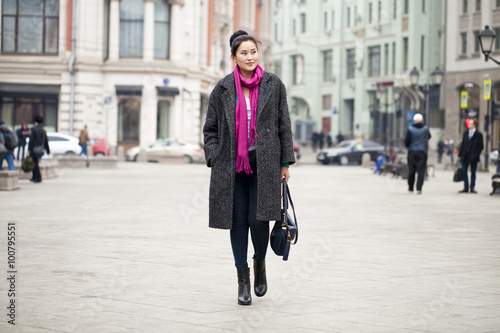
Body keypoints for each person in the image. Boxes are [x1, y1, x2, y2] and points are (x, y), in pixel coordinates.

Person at [203, 30, 295, 306]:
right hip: (231, 165)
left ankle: (260, 264)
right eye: (243, 53)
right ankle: (242, 278)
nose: (250, 56)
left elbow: (284, 125)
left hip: (264, 163)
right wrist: (214, 156)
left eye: (253, 51)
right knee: (237, 220)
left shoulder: (274, 84)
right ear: (233, 57)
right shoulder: (221, 89)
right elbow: (211, 130)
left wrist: (285, 161)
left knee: (259, 219)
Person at [405, 113, 431, 194]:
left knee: (411, 170)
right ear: (422, 121)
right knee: (421, 171)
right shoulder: (426, 129)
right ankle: (419, 188)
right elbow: (429, 137)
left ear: (414, 121)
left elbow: (407, 141)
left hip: (412, 152)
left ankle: (410, 188)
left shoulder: (410, 129)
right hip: (422, 152)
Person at [458, 118, 484, 194]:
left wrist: (476, 154)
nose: (469, 125)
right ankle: (465, 187)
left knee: (473, 172)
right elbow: (463, 144)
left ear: (474, 125)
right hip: (465, 155)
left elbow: (481, 146)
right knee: (463, 171)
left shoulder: (478, 135)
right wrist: (460, 154)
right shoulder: (466, 133)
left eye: (471, 123)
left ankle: (472, 187)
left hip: (473, 156)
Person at [28, 116, 50, 183]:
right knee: (36, 163)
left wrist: (29, 149)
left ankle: (37, 177)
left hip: (34, 149)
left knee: (35, 163)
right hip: (40, 149)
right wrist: (48, 150)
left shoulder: (34, 129)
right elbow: (46, 141)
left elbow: (31, 140)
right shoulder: (43, 130)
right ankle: (35, 177)